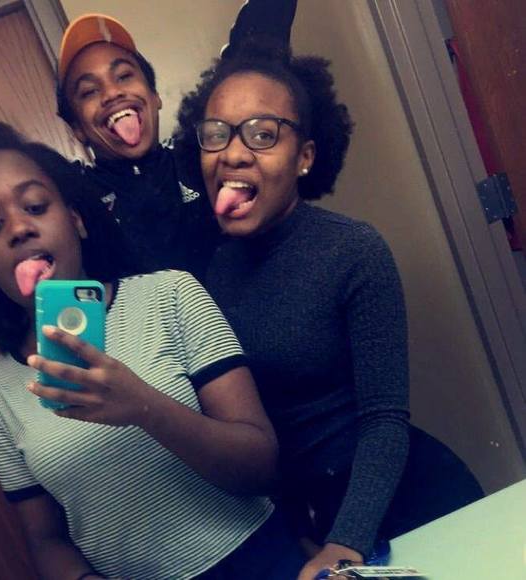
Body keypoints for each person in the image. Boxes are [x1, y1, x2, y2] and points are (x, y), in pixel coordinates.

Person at [173, 42, 484, 579]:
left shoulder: (354, 251)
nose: (233, 153)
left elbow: (384, 418)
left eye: (263, 134)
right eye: (217, 133)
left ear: (305, 157)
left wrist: (345, 543)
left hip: (411, 505)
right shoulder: (206, 278)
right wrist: (302, 530)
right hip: (313, 527)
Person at [0, 122, 307, 579]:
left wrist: (143, 406)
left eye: (35, 206)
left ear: (76, 219)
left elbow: (263, 467)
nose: (18, 228)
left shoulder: (171, 295)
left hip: (263, 563)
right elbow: (45, 538)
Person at [55, 3, 298, 281]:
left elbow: (251, 60)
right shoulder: (78, 198)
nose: (112, 93)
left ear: (154, 96)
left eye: (124, 76)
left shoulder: (199, 155)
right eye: (89, 91)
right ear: (77, 128)